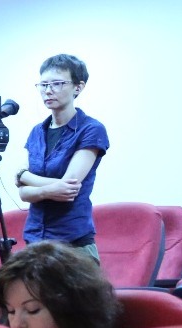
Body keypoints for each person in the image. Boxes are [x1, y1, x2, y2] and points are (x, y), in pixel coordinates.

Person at [15, 53, 109, 262]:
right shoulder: (37, 132)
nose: (48, 90)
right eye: (43, 85)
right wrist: (43, 187)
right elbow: (23, 193)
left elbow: (68, 187)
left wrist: (24, 176)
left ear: (78, 87)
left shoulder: (91, 129)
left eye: (57, 84)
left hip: (73, 244)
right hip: (35, 241)